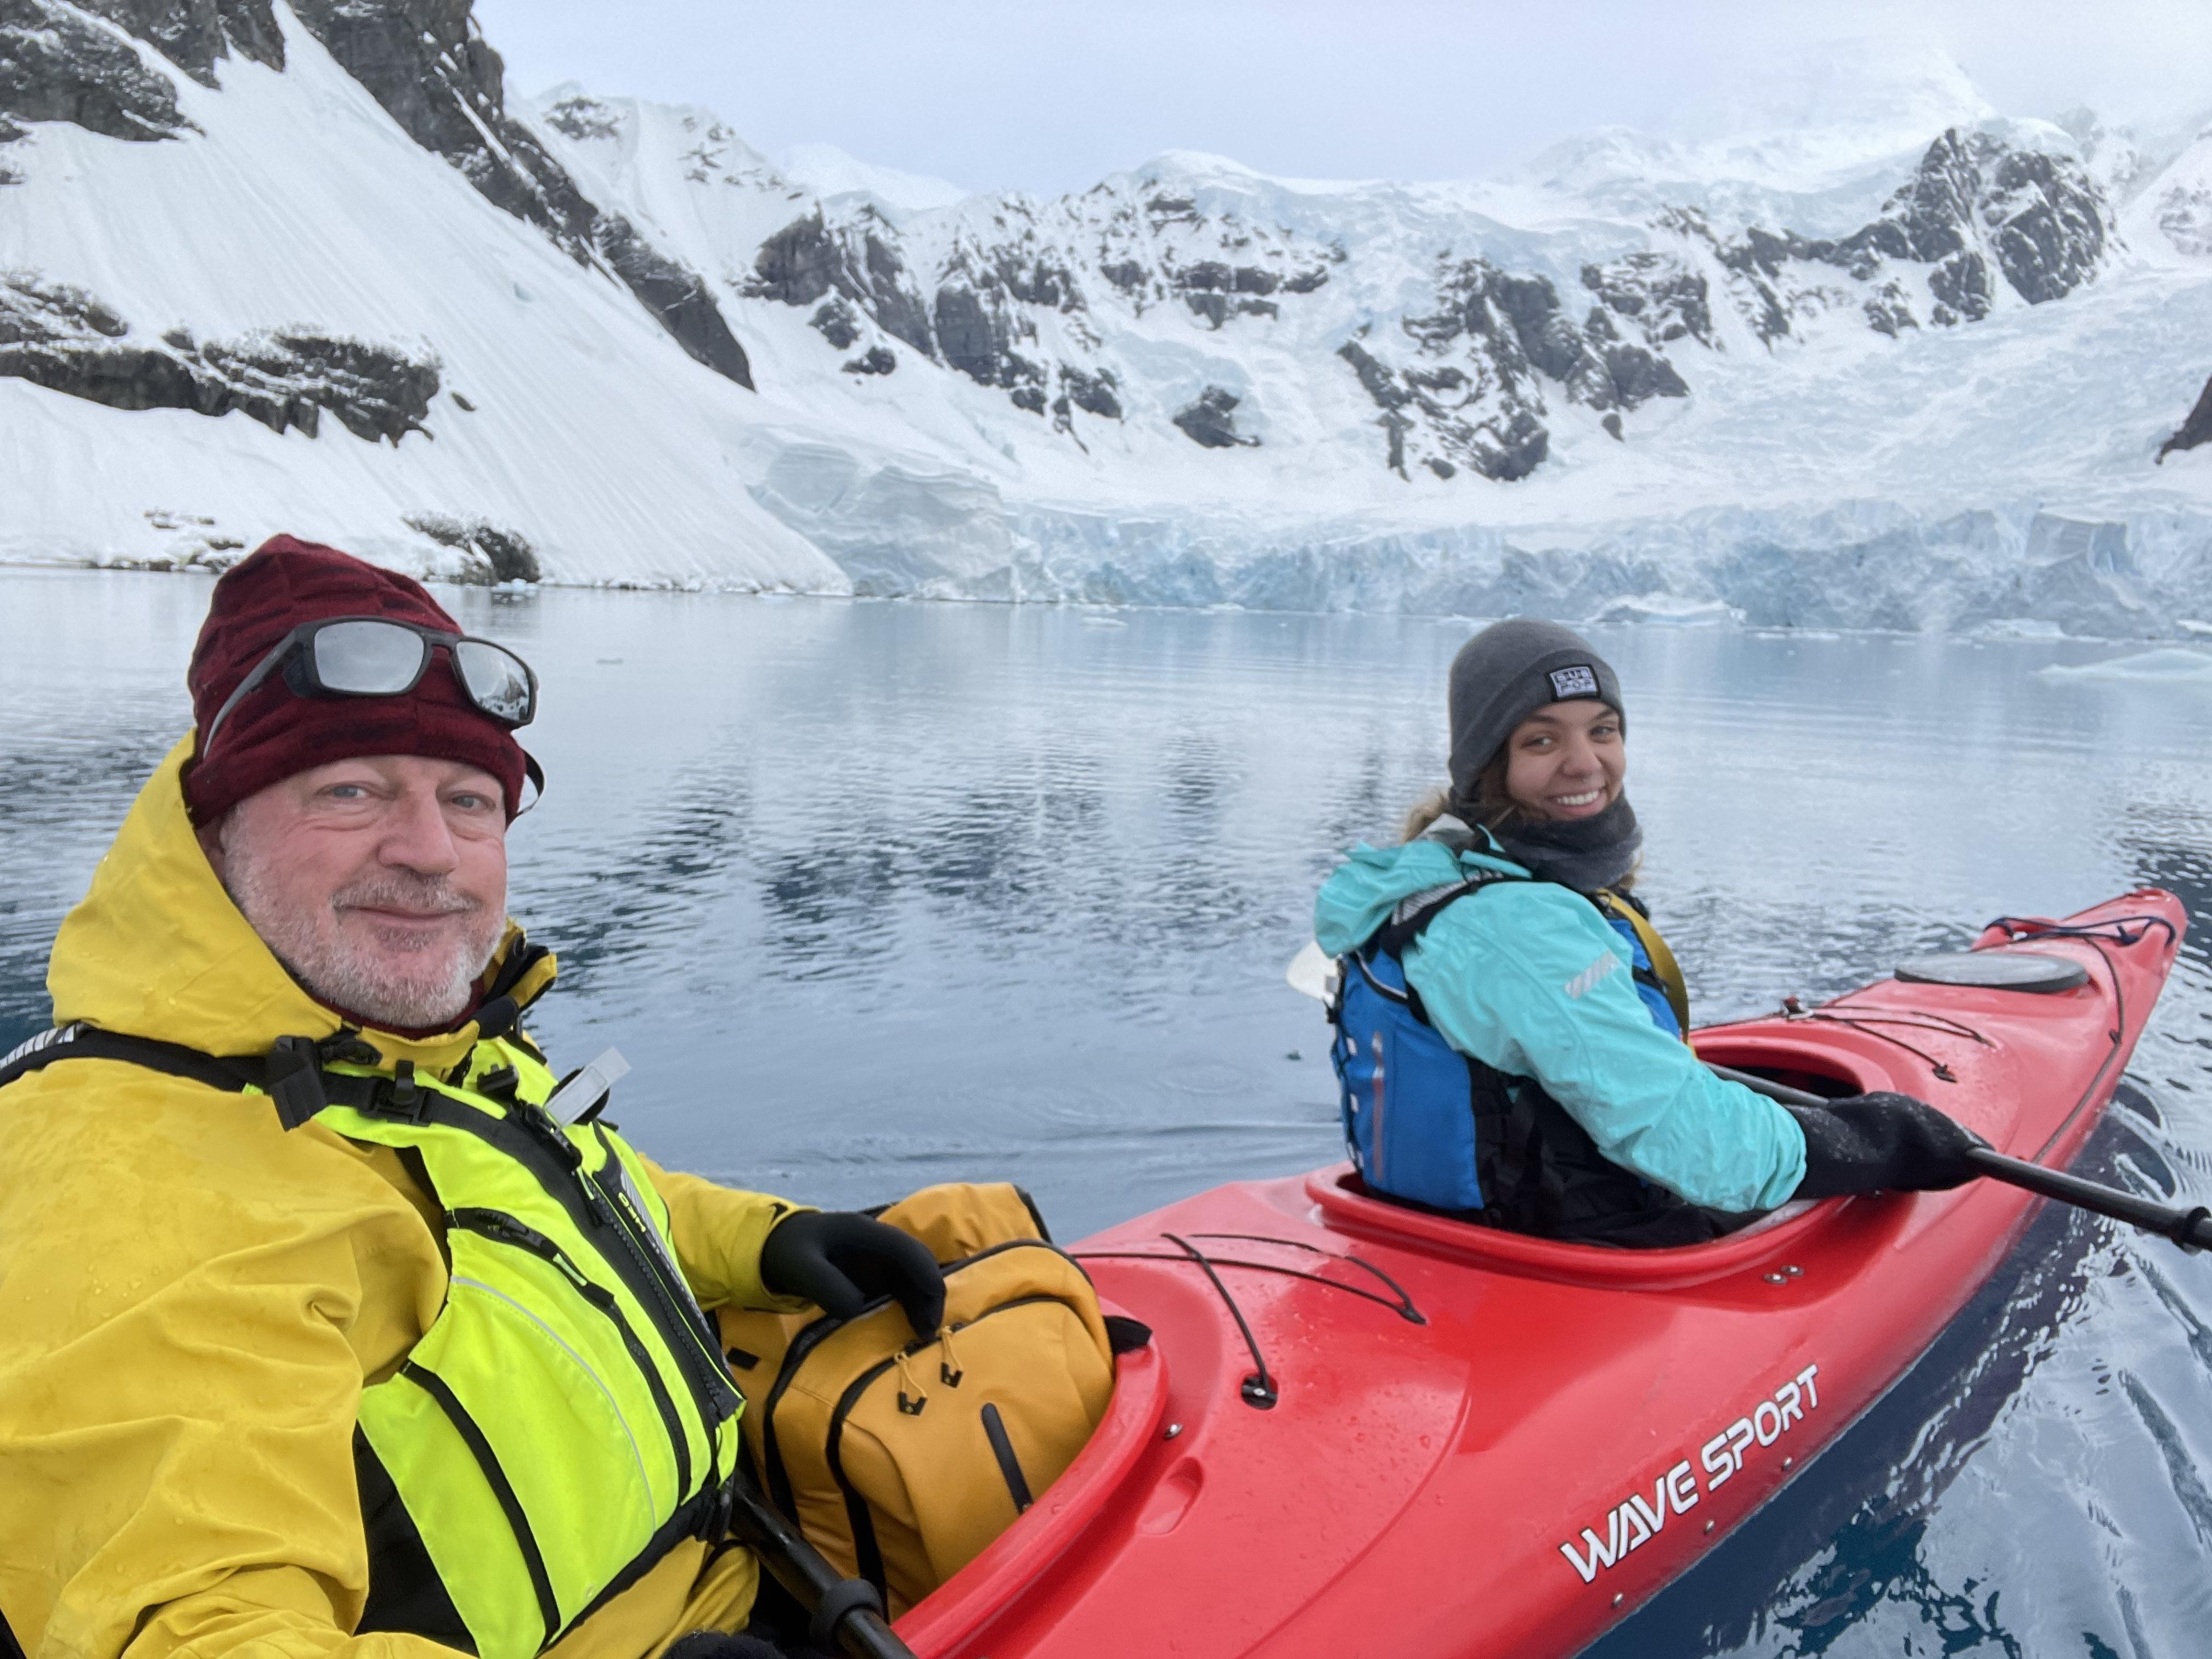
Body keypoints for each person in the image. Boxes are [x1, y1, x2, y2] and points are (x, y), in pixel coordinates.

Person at [0, 537, 946, 1659]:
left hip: (742, 1573)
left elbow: (526, 1186)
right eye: (349, 790)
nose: (430, 852)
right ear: (215, 830)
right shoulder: (127, 1184)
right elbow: (203, 1630)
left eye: (469, 801)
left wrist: (757, 1239)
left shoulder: (410, 1041)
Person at [1314, 616, 1987, 1248]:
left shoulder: (1435, 876)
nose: (1586, 763)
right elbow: (1697, 1148)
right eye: (1542, 740)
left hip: (1449, 1222)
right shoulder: (1518, 928)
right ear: (1489, 764)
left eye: (1602, 730)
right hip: (1566, 1242)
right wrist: (1877, 1142)